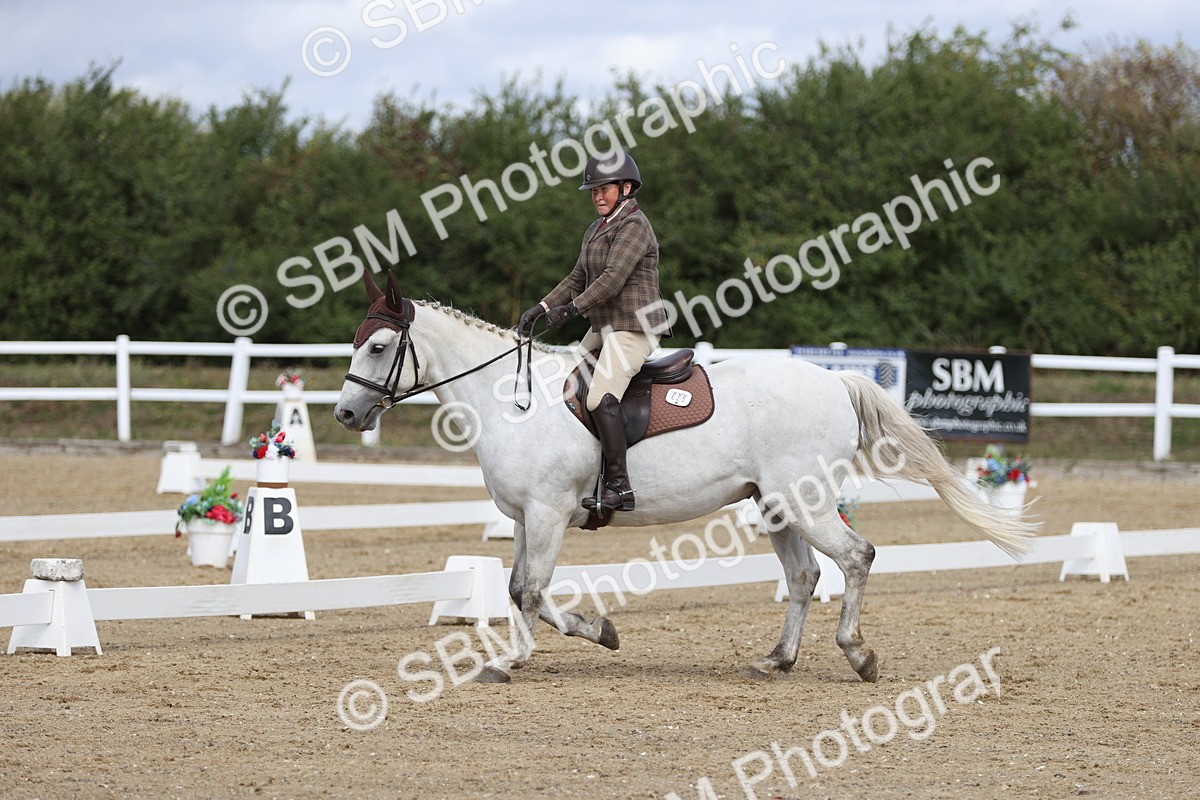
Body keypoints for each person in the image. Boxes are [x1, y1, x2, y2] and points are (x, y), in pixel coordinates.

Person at [518, 151, 670, 513]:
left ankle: (620, 485)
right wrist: (540, 308)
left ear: (626, 187)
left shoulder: (635, 225)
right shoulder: (596, 229)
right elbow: (575, 278)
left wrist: (572, 310)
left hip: (634, 326)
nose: (598, 196)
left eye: (605, 189)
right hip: (605, 327)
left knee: (598, 396)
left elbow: (613, 278)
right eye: (593, 191)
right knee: (563, 384)